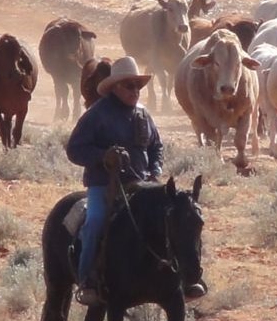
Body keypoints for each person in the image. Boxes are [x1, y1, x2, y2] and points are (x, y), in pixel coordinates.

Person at [66, 56, 206, 306]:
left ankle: (188, 277)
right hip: (104, 185)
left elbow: (157, 147)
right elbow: (74, 149)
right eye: (129, 86)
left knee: (179, 220)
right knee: (95, 222)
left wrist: (155, 170)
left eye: (137, 86)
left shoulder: (143, 114)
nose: (135, 91)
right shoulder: (97, 114)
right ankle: (87, 279)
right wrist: (103, 157)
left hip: (142, 184)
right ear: (115, 87)